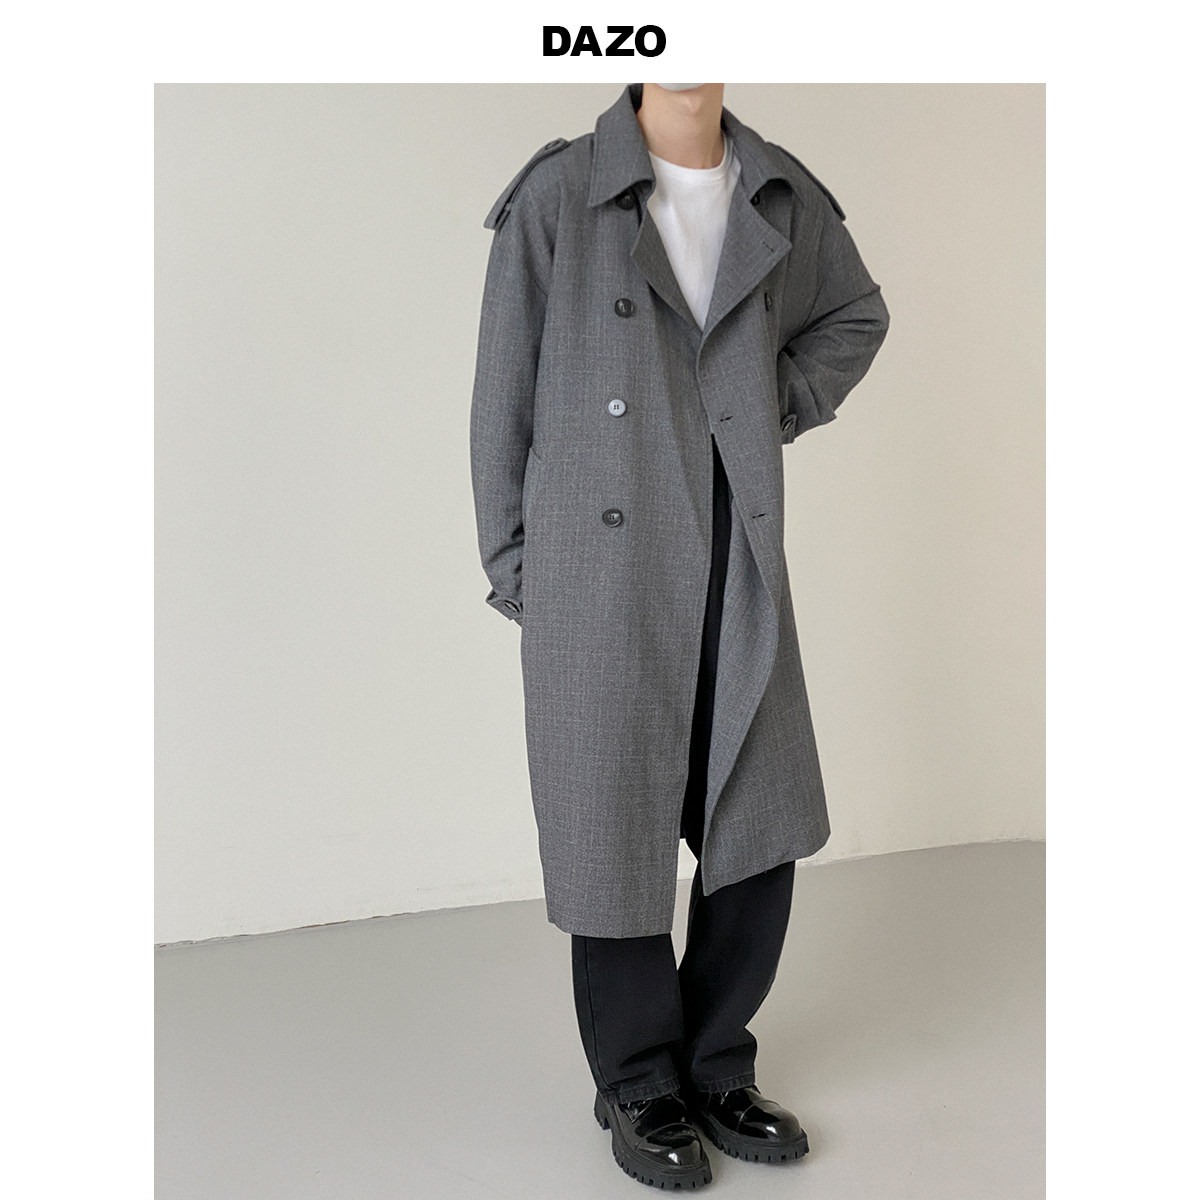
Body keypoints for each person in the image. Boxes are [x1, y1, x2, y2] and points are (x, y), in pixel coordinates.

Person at [469, 83, 889, 1188]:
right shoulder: (561, 192)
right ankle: (638, 1080)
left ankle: (715, 1061)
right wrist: (517, 563)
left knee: (758, 813)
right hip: (598, 566)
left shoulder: (779, 192)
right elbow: (503, 389)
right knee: (610, 827)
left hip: (733, 543)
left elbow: (855, 315)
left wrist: (768, 404)